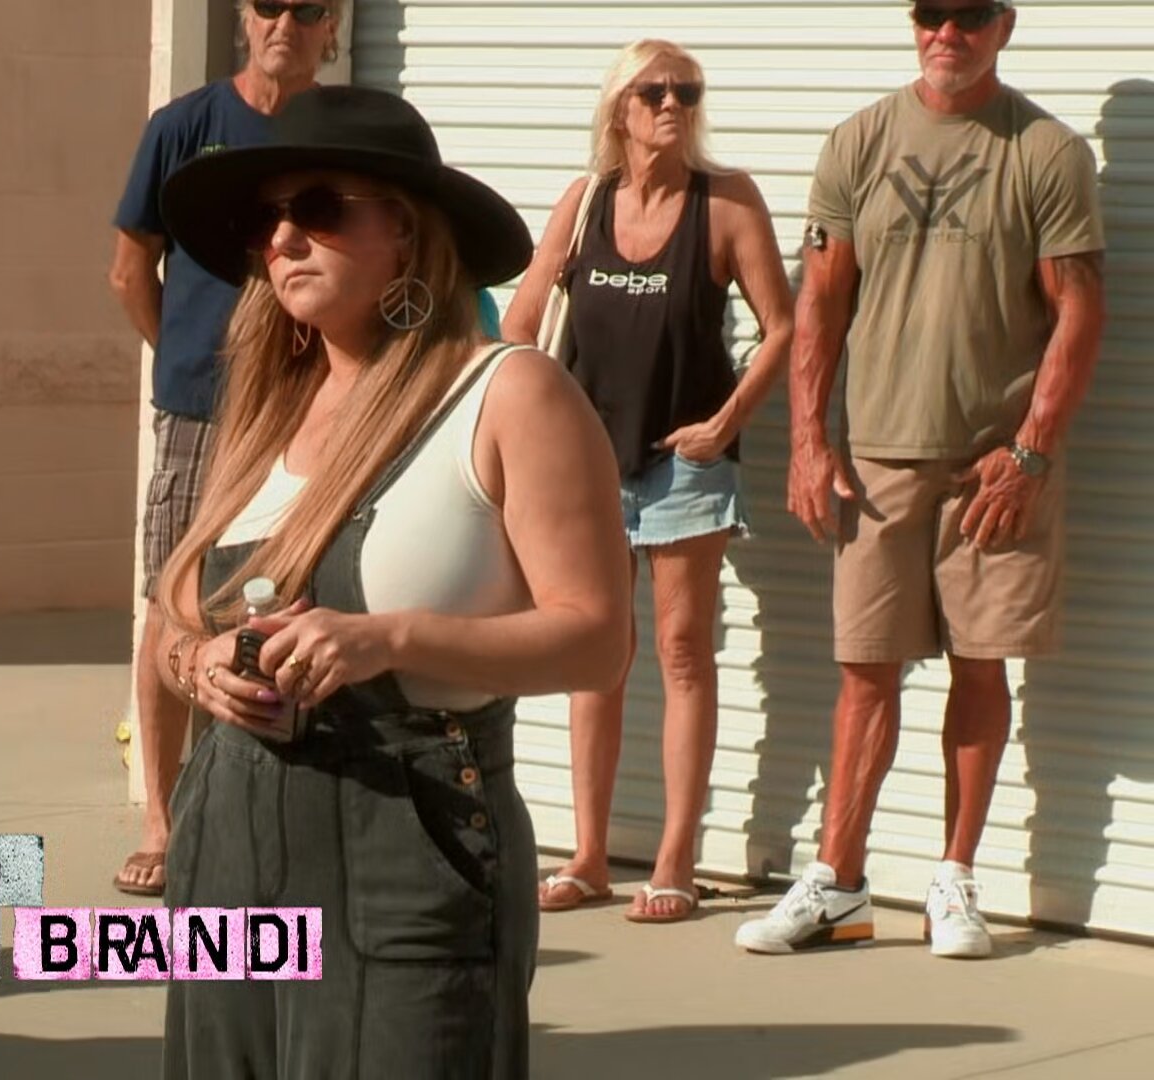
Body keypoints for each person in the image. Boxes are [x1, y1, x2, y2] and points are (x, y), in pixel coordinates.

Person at [154, 85, 631, 1078]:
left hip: (408, 843)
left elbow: (597, 640)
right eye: (265, 220)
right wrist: (200, 664)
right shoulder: (264, 410)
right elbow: (170, 622)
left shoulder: (507, 392)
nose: (283, 238)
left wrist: (388, 638)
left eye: (317, 207)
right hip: (228, 840)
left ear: (406, 231)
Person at [738, 0, 1105, 959]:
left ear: (1004, 26)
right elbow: (822, 303)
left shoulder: (1047, 151)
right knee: (865, 670)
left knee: (982, 663)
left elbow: (1078, 310)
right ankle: (839, 886)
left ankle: (954, 880)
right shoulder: (858, 142)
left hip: (992, 464)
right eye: (930, 12)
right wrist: (809, 442)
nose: (948, 32)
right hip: (879, 457)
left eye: (969, 15)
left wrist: (1030, 451)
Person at [501, 39, 794, 923]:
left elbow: (782, 327)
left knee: (681, 650)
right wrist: (533, 431)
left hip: (684, 463)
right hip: (587, 463)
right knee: (595, 648)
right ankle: (589, 856)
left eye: (686, 92)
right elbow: (519, 324)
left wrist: (725, 423)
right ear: (619, 109)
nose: (672, 105)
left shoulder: (726, 202)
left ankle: (675, 859)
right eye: (654, 91)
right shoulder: (585, 202)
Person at [107, 0, 343, 897]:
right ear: (244, 17)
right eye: (268, 3)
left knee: (276, 604)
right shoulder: (184, 127)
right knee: (172, 605)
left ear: (332, 26)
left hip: (307, 412)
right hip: (200, 414)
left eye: (308, 8)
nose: (286, 22)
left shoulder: (338, 131)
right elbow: (129, 268)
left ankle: (243, 816)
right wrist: (184, 357)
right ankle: (163, 821)